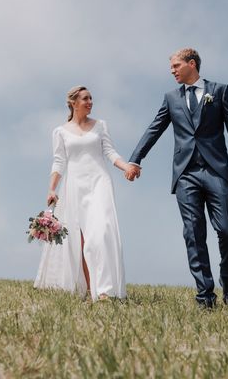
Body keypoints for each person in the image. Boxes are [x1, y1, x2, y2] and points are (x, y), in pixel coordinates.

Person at [125, 48, 228, 309]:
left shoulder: (218, 91)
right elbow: (155, 128)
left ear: (191, 64)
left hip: (216, 171)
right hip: (185, 174)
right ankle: (205, 297)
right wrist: (136, 159)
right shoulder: (171, 98)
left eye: (175, 66)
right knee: (193, 234)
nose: (172, 71)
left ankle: (227, 281)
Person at [34, 86, 131, 301]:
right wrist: (52, 188)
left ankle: (105, 291)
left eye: (91, 98)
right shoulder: (60, 132)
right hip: (75, 185)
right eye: (85, 99)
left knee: (102, 232)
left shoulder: (100, 126)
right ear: (73, 103)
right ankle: (89, 289)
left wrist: (127, 167)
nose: (90, 102)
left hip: (100, 182)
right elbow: (59, 161)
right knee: (82, 241)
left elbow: (110, 152)